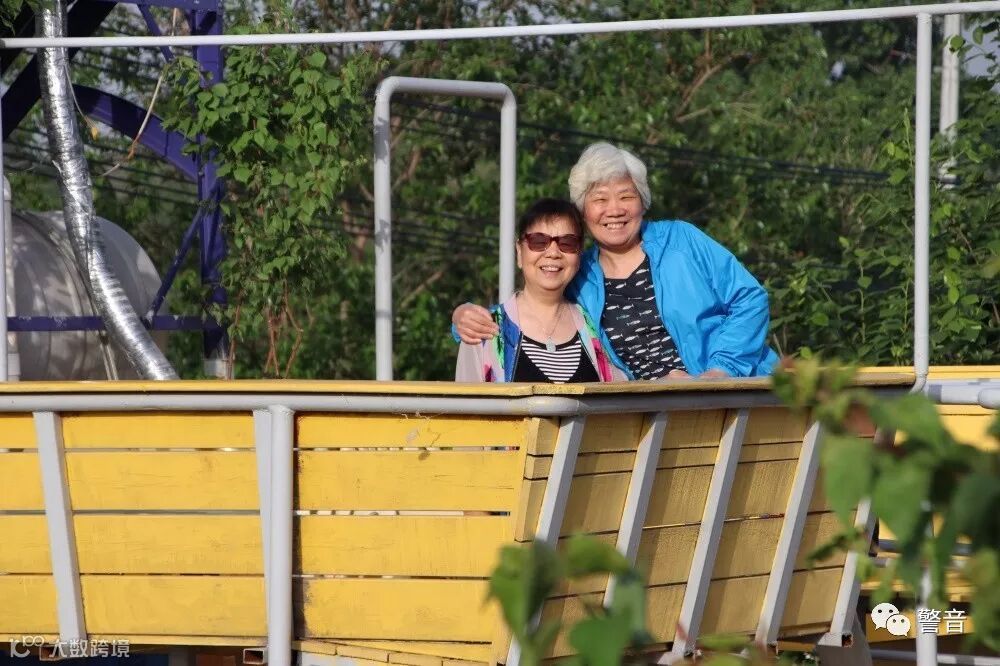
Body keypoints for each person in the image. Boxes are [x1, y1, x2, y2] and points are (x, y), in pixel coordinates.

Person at [454, 142, 778, 379]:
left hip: (732, 392)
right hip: (657, 416)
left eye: (626, 196)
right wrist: (463, 318)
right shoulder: (581, 272)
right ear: (583, 211)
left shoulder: (681, 240)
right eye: (600, 199)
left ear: (642, 202)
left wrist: (720, 371)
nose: (615, 210)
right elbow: (533, 306)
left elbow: (749, 298)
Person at [455, 198, 623, 383]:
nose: (553, 253)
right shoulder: (482, 331)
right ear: (519, 252)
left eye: (567, 243)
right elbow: (467, 400)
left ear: (579, 254)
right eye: (538, 241)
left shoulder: (596, 328)